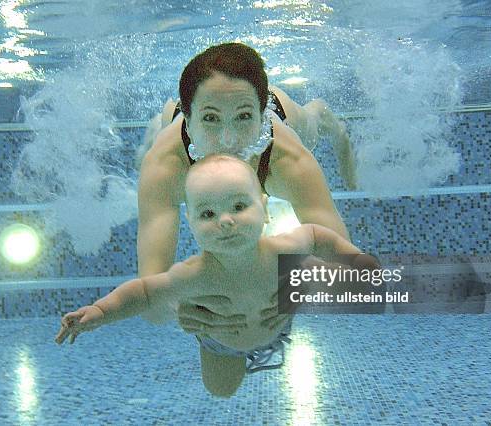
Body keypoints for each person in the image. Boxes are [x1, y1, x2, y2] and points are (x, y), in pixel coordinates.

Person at [55, 155, 372, 397]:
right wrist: (98, 313)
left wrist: (354, 260)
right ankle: (220, 348)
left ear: (264, 208)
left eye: (238, 205)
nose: (225, 221)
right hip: (221, 340)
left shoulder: (285, 248)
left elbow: (317, 235)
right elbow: (144, 292)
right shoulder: (194, 274)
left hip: (275, 323)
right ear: (190, 221)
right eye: (208, 214)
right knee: (221, 391)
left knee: (304, 273)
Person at [136, 42, 354, 331]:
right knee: (160, 131)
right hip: (179, 126)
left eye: (244, 117)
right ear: (188, 122)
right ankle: (164, 120)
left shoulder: (287, 159)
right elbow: (151, 305)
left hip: (282, 113)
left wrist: (301, 289)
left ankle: (321, 114)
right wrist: (182, 308)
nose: (229, 140)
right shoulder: (166, 165)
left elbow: (352, 277)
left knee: (311, 124)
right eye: (211, 119)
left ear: (262, 116)